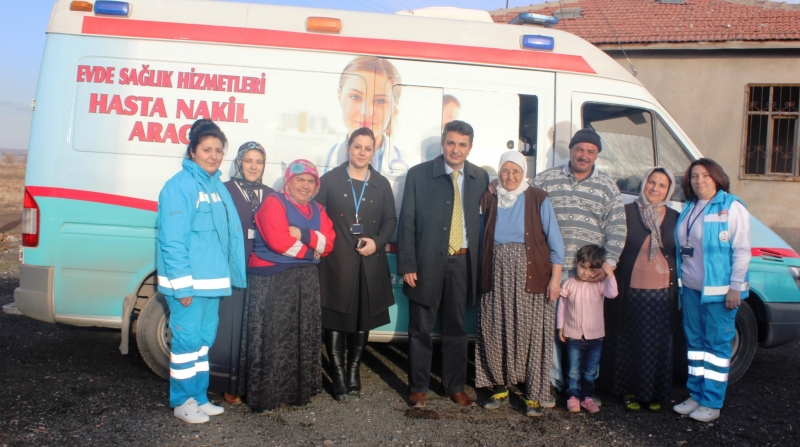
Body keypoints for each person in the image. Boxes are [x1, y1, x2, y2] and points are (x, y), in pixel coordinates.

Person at [492, 127, 627, 402]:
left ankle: (584, 390)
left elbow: (617, 227)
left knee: (587, 330)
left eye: (591, 151)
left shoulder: (607, 186)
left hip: (589, 273)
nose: (584, 155)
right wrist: (493, 185)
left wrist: (608, 264)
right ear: (571, 150)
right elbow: (519, 189)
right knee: (554, 329)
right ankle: (552, 383)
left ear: (597, 155)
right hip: (553, 267)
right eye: (580, 149)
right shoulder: (548, 179)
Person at [156, 119, 246, 424]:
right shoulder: (178, 186)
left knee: (203, 343)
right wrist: (181, 287)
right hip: (189, 286)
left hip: (212, 283)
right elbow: (172, 241)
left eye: (219, 150)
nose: (214, 155)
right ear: (192, 151)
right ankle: (181, 401)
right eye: (207, 149)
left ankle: (198, 397)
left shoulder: (216, 185)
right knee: (185, 344)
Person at [397, 120, 489, 408]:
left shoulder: (480, 178)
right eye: (451, 143)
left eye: (462, 144)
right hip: (425, 264)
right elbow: (407, 222)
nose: (456, 149)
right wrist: (408, 264)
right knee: (420, 328)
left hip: (462, 263)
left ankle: (454, 386)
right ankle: (419, 388)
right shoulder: (419, 175)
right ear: (442, 143)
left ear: (470, 147)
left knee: (456, 329)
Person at [475, 151, 564, 417]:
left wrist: (556, 279)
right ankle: (499, 387)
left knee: (532, 333)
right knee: (495, 328)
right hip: (496, 274)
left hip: (532, 273)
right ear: (498, 173)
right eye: (505, 171)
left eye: (515, 171)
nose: (510, 176)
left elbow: (555, 241)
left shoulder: (538, 197)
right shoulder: (489, 198)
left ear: (524, 172)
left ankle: (533, 395)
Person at [244, 159, 336, 414]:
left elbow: (329, 243)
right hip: (272, 280)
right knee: (275, 337)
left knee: (301, 336)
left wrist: (304, 235)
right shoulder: (273, 202)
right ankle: (267, 397)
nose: (305, 186)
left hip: (304, 282)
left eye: (310, 181)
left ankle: (298, 393)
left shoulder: (317, 208)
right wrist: (312, 253)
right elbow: (278, 241)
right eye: (300, 179)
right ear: (288, 181)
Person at [317, 127, 397, 401]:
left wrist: (377, 242)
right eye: (357, 147)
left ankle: (353, 371)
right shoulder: (329, 180)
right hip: (336, 264)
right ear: (348, 148)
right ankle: (338, 375)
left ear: (373, 152)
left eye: (367, 148)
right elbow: (316, 218)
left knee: (363, 320)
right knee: (336, 321)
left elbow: (390, 221)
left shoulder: (381, 184)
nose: (361, 152)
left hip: (369, 263)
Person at [672, 158, 751, 423]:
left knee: (716, 347)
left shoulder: (731, 207)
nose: (699, 181)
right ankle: (696, 394)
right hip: (692, 291)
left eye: (705, 175)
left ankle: (712, 402)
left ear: (717, 177)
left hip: (720, 294)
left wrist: (735, 289)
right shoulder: (690, 207)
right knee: (695, 346)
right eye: (694, 176)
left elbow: (742, 251)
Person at [603, 167, 679, 413]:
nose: (655, 189)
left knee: (657, 344)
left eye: (662, 185)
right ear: (644, 183)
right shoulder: (625, 213)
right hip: (630, 291)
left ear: (669, 190)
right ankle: (628, 391)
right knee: (628, 341)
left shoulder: (676, 217)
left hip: (661, 294)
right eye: (651, 183)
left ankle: (655, 392)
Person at [208, 142, 274, 405]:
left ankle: (254, 384)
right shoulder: (224, 190)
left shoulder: (270, 194)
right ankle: (228, 384)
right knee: (231, 326)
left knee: (256, 328)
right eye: (248, 161)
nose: (253, 167)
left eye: (258, 162)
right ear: (239, 162)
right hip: (232, 267)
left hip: (262, 269)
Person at [557, 245, 618, 414]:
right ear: (576, 263)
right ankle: (573, 397)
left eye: (592, 270)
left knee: (590, 371)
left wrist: (610, 273)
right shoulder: (568, 283)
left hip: (595, 336)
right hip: (573, 335)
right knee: (573, 370)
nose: (585, 273)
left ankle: (587, 397)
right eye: (583, 267)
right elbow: (562, 308)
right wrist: (560, 327)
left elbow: (613, 294)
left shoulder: (599, 284)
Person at [324, 56, 406, 177]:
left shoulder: (411, 167)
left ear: (394, 105)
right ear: (340, 96)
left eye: (380, 101)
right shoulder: (320, 160)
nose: (367, 112)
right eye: (356, 97)